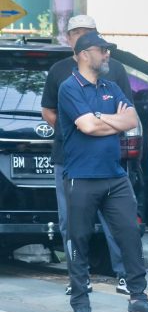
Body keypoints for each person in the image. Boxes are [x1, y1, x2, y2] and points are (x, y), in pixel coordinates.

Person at [58, 32, 148, 312]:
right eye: (101, 50)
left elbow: (131, 121)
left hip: (115, 177)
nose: (106, 55)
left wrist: (99, 119)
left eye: (107, 50)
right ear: (82, 54)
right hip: (82, 177)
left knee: (130, 235)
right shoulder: (69, 87)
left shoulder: (111, 86)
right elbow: (86, 127)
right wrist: (106, 121)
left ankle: (138, 298)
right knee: (78, 240)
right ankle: (80, 303)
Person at [41, 15, 130, 296]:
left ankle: (125, 276)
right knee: (72, 223)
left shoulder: (113, 69)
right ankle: (78, 278)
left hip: (108, 161)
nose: (82, 37)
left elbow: (128, 116)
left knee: (116, 221)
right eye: (76, 33)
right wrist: (75, 130)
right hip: (69, 160)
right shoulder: (59, 71)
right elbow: (49, 111)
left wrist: (95, 126)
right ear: (69, 39)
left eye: (88, 32)